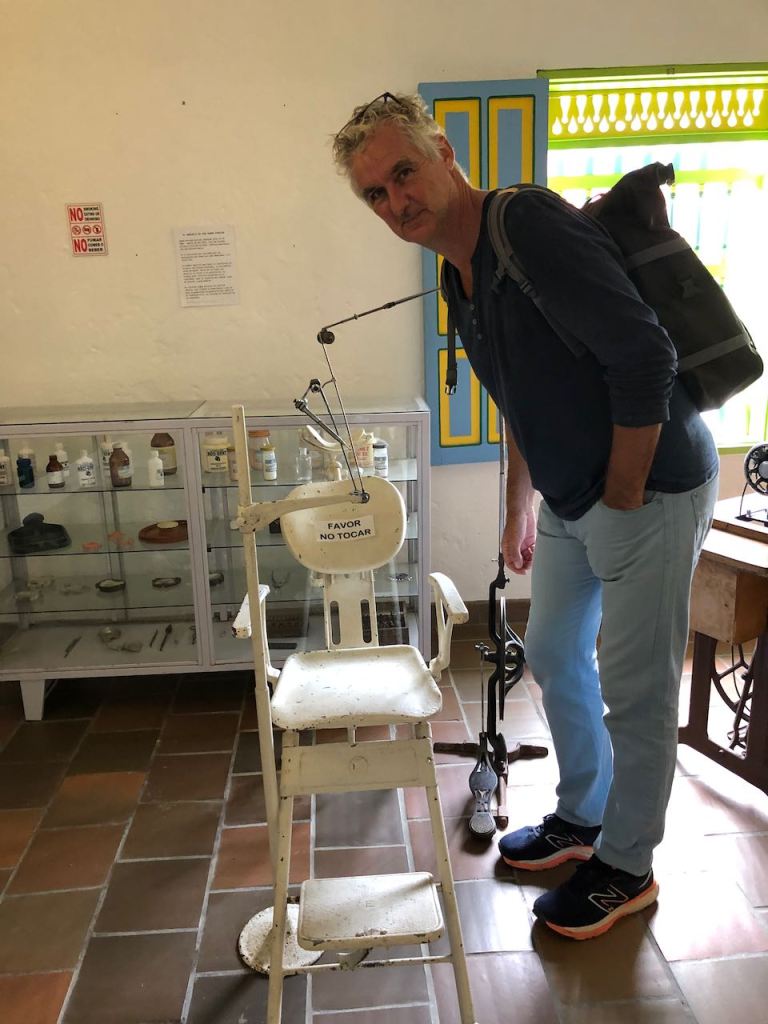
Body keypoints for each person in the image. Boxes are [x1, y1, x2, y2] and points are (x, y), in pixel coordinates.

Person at [331, 91, 719, 941]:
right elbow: (520, 398)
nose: (396, 201)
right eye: (375, 194)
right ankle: (584, 815)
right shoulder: (458, 272)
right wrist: (521, 507)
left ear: (444, 151)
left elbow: (645, 355)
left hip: (650, 488)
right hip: (576, 498)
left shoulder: (526, 226)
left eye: (404, 172)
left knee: (638, 691)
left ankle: (627, 867)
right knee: (550, 651)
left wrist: (623, 491)